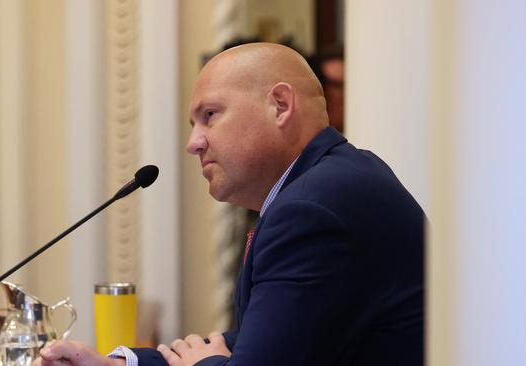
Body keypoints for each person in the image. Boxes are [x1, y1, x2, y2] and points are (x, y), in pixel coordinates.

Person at [34, 43, 425, 366]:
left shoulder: (313, 209)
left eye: (210, 115)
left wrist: (205, 363)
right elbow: (264, 340)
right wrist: (117, 365)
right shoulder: (331, 181)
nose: (194, 143)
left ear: (280, 105)